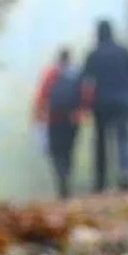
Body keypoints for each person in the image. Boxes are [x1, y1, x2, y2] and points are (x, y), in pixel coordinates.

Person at [80, 20, 128, 192]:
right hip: (123, 101)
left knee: (100, 142)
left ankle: (100, 180)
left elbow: (86, 82)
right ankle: (126, 172)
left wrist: (85, 105)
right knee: (123, 138)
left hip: (101, 103)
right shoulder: (124, 52)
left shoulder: (93, 54)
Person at [33, 48, 84, 199]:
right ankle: (67, 175)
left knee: (56, 152)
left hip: (54, 119)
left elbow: (42, 96)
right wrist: (81, 112)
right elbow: (86, 94)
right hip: (73, 119)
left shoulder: (51, 74)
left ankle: (62, 177)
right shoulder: (77, 74)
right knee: (69, 151)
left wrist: (39, 118)